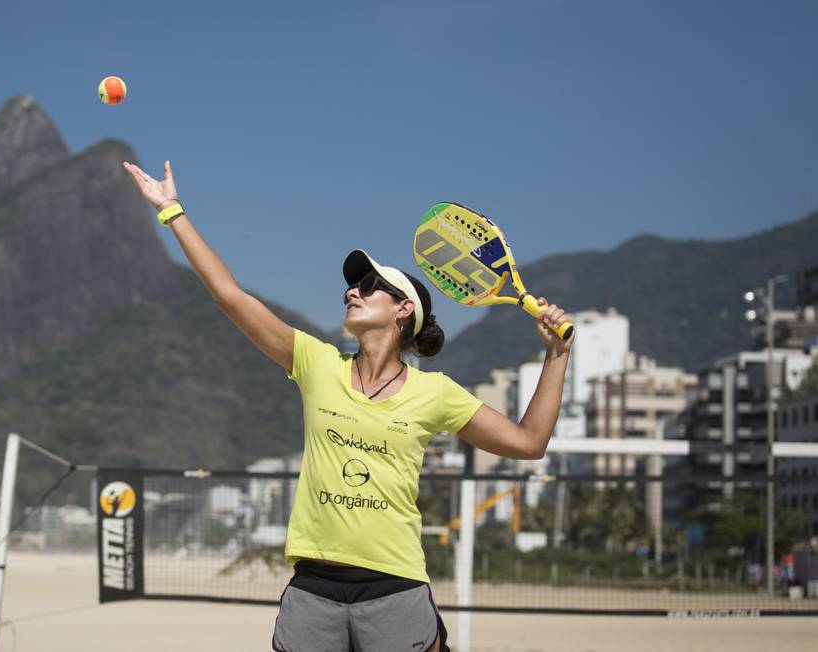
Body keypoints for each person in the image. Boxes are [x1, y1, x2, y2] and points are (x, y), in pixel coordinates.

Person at [123, 159, 573, 652]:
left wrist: (556, 355)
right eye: (352, 285)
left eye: (367, 286)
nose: (350, 291)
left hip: (396, 587)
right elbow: (230, 296)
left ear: (404, 310)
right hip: (313, 588)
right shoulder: (317, 364)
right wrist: (172, 212)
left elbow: (530, 444)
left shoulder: (436, 393)